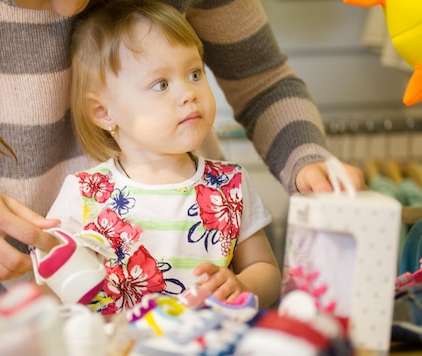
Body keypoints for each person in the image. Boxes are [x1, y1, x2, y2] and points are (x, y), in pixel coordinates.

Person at [0, 0, 365, 299]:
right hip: (17, 317)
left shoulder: (228, 191)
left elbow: (263, 81)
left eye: (194, 74)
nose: (72, 6)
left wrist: (308, 160)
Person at [33, 0, 282, 314]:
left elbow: (267, 271)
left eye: (194, 73)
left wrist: (243, 286)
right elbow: (49, 287)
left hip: (204, 353)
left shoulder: (229, 185)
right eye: (161, 84)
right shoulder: (84, 193)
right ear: (103, 112)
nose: (189, 93)